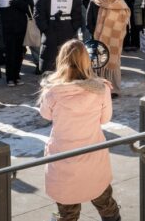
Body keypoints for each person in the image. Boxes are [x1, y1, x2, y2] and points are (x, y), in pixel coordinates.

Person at [38, 39, 121, 221]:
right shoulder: (101, 89)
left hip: (62, 157)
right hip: (92, 154)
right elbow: (105, 119)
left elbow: (46, 115)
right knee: (106, 206)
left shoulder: (52, 91)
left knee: (67, 213)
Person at [86, 0, 131, 95]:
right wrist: (96, 34)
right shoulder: (94, 1)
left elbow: (124, 17)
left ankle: (113, 89)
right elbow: (88, 21)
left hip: (114, 40)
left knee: (113, 62)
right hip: (98, 39)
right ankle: (100, 87)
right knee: (98, 63)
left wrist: (113, 32)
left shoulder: (118, 1)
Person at [36, 0, 84, 74]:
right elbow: (38, 14)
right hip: (50, 34)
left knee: (67, 66)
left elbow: (77, 11)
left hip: (67, 32)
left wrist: (73, 27)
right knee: (50, 67)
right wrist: (46, 28)